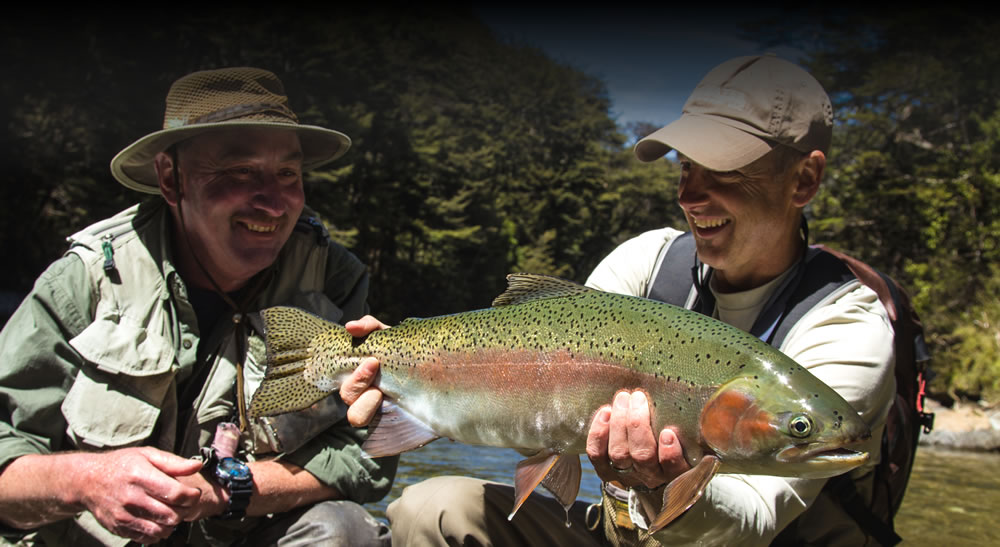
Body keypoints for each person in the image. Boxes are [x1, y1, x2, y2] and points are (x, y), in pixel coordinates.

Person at [340, 54, 896, 546]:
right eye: (685, 167)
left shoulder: (849, 326)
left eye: (725, 169)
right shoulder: (646, 262)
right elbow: (543, 393)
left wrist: (661, 484)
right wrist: (419, 374)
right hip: (623, 534)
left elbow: (750, 522)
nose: (689, 195)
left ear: (804, 180)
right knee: (431, 511)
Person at [0, 67, 396, 546]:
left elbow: (367, 451)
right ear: (171, 178)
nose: (274, 203)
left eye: (288, 173)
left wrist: (229, 490)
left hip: (239, 531)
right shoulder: (87, 279)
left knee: (345, 530)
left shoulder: (333, 280)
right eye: (240, 171)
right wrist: (84, 480)